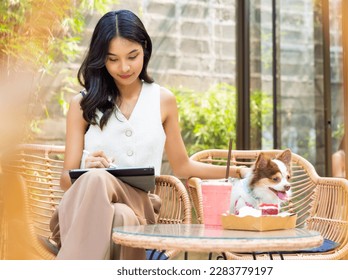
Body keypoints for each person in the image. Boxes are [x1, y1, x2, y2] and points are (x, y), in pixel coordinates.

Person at [49, 9, 245, 260]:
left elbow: (182, 166)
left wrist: (237, 171)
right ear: (101, 59)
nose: (124, 67)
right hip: (79, 214)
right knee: (115, 208)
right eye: (113, 59)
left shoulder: (163, 100)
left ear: (145, 50)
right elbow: (65, 181)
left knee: (102, 183)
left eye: (132, 56)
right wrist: (85, 170)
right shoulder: (82, 104)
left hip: (142, 206)